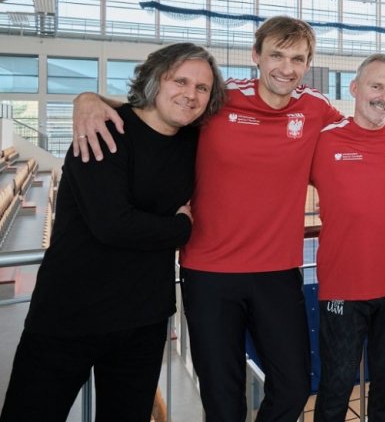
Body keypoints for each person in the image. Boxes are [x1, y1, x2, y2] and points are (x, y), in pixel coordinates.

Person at [71, 16, 343, 422]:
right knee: (222, 397)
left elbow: (362, 132)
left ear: (308, 64)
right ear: (256, 56)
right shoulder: (220, 97)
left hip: (277, 272)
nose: (287, 68)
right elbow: (155, 109)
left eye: (298, 59)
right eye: (277, 55)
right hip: (209, 273)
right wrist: (88, 99)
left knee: (293, 387)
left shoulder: (315, 107)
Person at [0, 43, 226, 422]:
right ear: (156, 80)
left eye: (202, 88)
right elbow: (113, 225)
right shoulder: (105, 131)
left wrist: (91, 95)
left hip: (143, 320)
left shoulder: (193, 140)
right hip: (71, 314)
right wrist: (180, 227)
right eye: (180, 80)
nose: (191, 94)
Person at [310, 54, 385, 422]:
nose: (384, 97)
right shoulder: (323, 141)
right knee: (336, 387)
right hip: (343, 287)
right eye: (376, 86)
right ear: (354, 89)